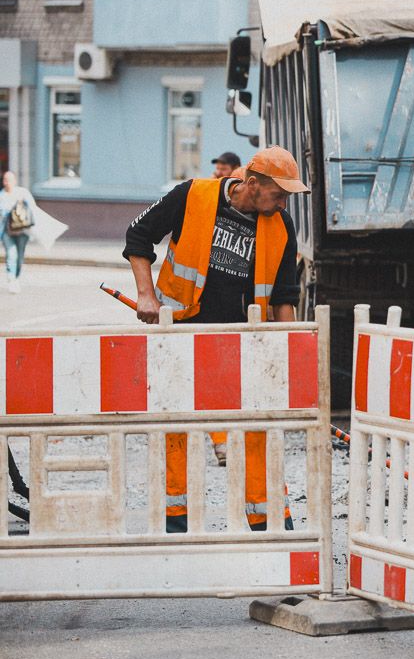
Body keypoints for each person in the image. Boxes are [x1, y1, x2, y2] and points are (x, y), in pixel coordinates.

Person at [123, 146, 308, 533]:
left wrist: (287, 351)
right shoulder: (193, 195)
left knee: (255, 432)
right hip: (182, 336)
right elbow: (138, 236)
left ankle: (270, 523)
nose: (284, 202)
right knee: (178, 429)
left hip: (242, 344)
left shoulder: (281, 225)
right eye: (279, 193)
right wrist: (146, 294)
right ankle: (177, 525)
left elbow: (284, 296)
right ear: (251, 184)